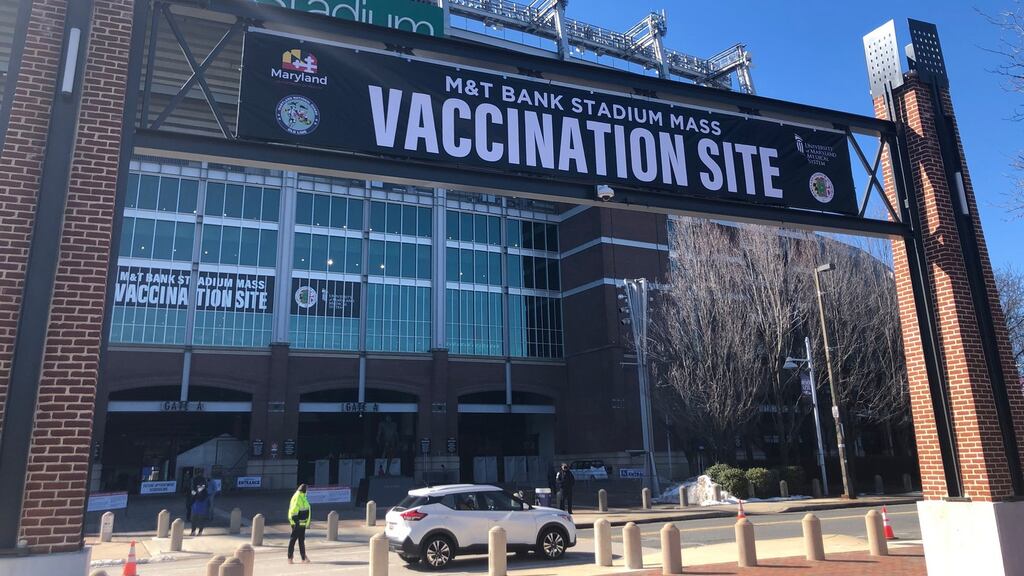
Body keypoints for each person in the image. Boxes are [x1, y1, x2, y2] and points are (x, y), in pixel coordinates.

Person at [287, 484, 311, 564]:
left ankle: (303, 557)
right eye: (307, 489)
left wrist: (306, 522)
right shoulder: (298, 497)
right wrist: (297, 522)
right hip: (297, 522)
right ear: (304, 490)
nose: (307, 491)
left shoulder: (303, 497)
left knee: (301, 540)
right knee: (293, 539)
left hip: (302, 522)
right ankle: (290, 557)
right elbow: (294, 511)